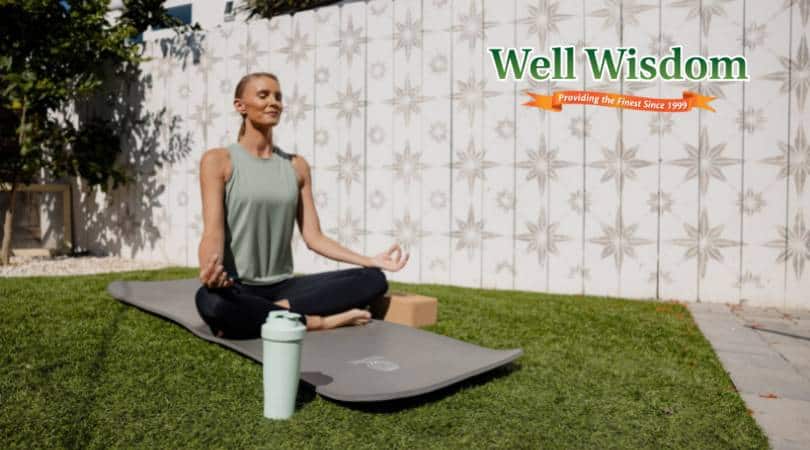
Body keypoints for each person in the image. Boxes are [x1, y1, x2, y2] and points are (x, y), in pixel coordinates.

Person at [194, 72, 409, 339]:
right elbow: (213, 231)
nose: (274, 102)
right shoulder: (218, 160)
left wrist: (370, 260)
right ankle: (320, 322)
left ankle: (265, 314)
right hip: (238, 287)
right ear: (240, 106)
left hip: (285, 288)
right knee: (210, 300)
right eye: (263, 95)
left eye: (278, 97)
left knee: (373, 279)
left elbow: (314, 237)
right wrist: (210, 269)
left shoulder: (296, 166)